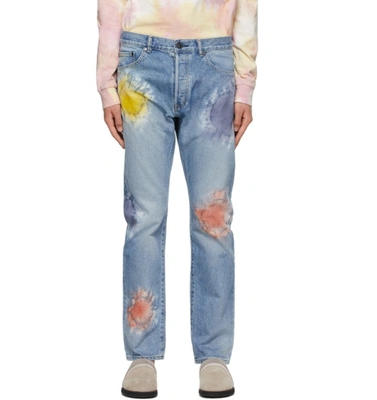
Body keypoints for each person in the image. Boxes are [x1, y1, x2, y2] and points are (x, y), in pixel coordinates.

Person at [96, 0, 258, 398]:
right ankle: (142, 354)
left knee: (213, 219)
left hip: (214, 63)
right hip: (141, 62)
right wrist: (106, 84)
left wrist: (245, 85)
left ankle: (214, 354)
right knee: (145, 216)